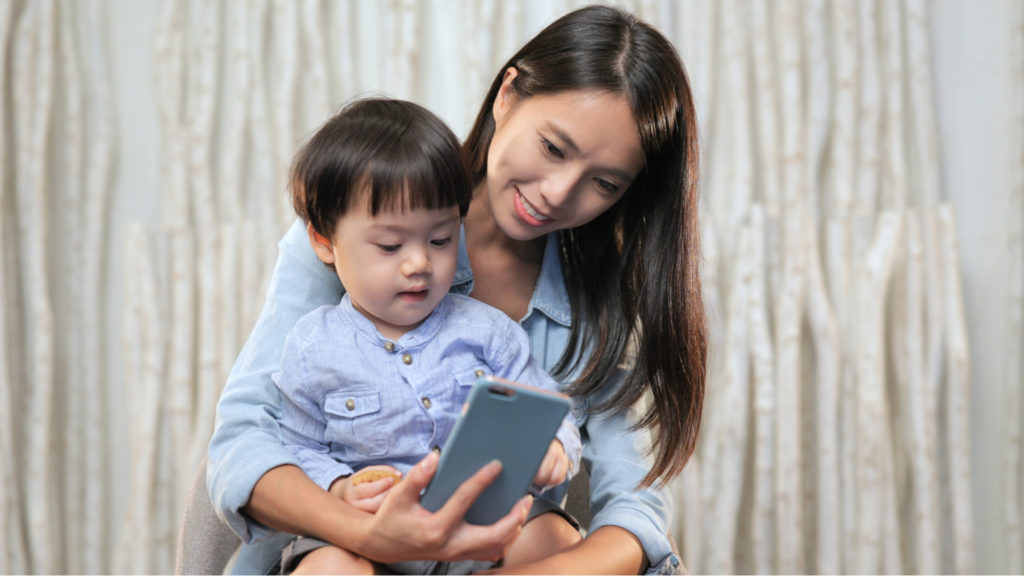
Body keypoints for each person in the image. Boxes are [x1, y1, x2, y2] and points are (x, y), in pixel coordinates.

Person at [207, 5, 706, 574]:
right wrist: (369, 528)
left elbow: (635, 508)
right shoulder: (360, 224)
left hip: (499, 556)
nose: (558, 193)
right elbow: (246, 439)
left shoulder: (600, 305)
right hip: (347, 546)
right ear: (508, 95)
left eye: (604, 183)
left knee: (549, 536)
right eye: (553, 148)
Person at [271, 98, 582, 573]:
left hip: (479, 527)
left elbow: (544, 404)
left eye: (440, 240)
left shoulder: (488, 331)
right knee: (327, 568)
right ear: (323, 241)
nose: (419, 263)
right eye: (390, 246)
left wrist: (555, 449)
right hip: (368, 539)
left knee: (555, 537)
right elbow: (292, 447)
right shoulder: (313, 347)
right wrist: (337, 487)